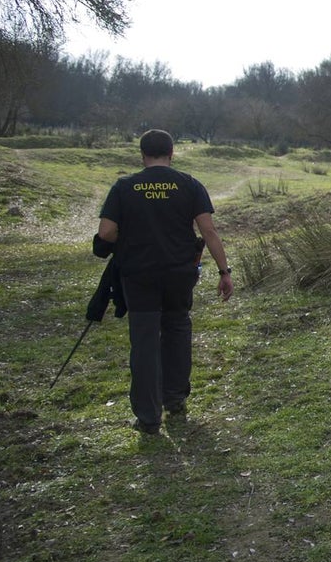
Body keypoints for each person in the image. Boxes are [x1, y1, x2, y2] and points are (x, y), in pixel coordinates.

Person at [97, 129, 234, 434]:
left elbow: (106, 233)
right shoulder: (189, 184)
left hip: (139, 275)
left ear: (142, 154)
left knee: (144, 342)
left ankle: (148, 417)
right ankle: (174, 398)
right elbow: (208, 231)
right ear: (172, 153)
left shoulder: (124, 186)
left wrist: (129, 240)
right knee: (177, 328)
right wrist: (225, 272)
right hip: (179, 274)